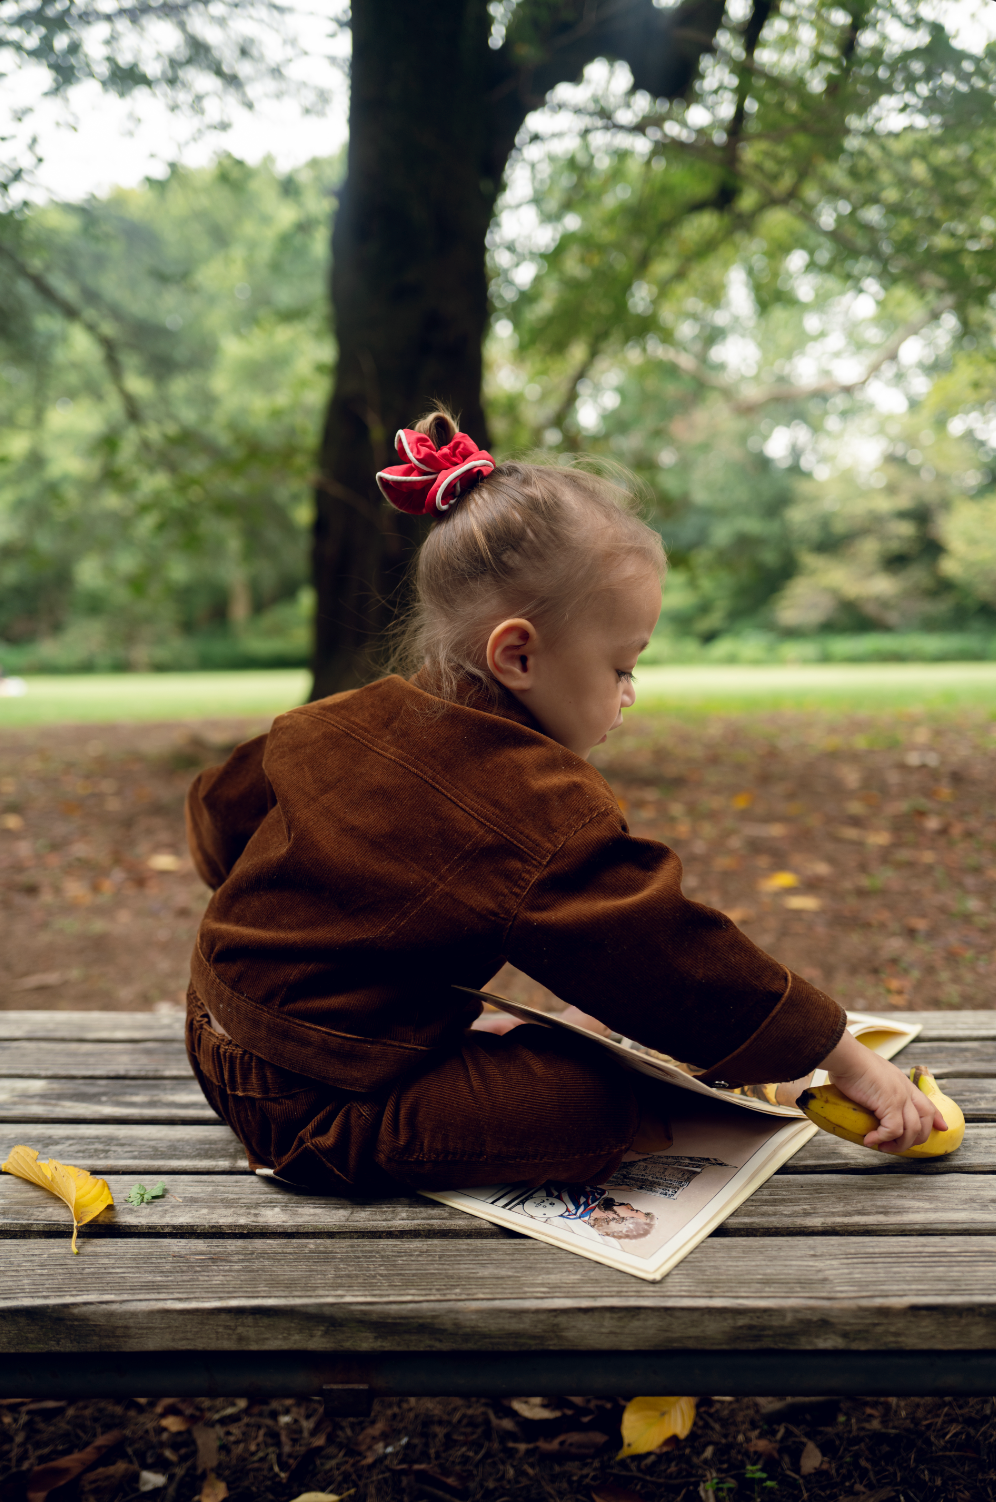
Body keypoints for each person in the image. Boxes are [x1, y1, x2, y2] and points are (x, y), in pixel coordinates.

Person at [184, 409, 945, 1196]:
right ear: (518, 655)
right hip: (315, 1100)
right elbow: (663, 951)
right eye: (621, 668)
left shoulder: (335, 719)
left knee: (565, 1041)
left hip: (212, 1024)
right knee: (595, 1104)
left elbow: (218, 815)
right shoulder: (532, 802)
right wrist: (840, 1054)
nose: (629, 695)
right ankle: (317, 1142)